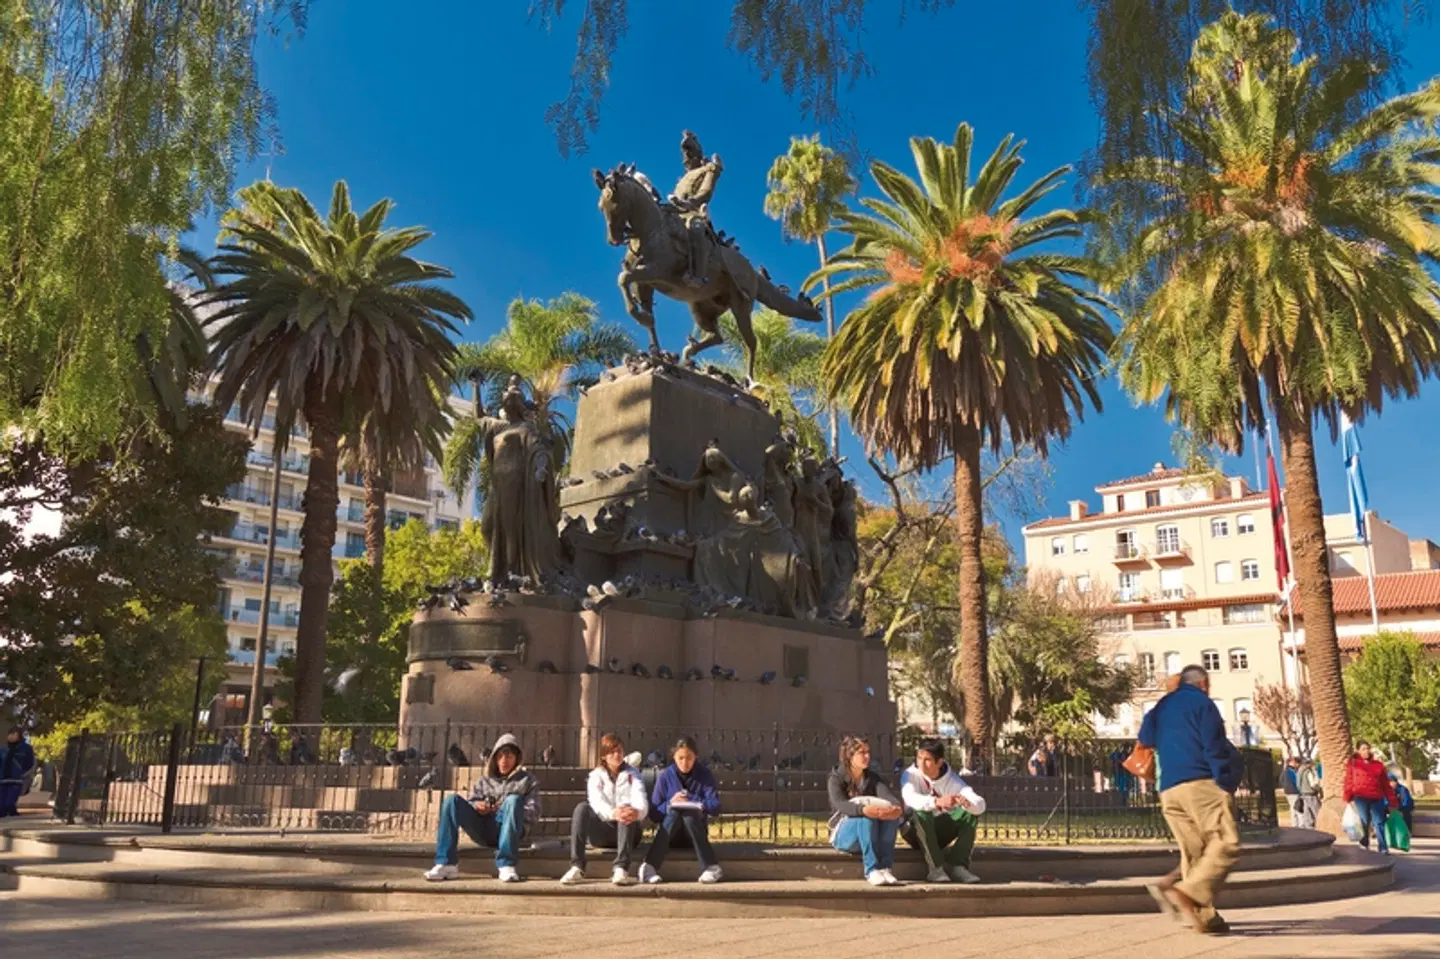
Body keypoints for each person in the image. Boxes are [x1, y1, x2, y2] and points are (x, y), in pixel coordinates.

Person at [1139, 664, 1242, 935]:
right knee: (1226, 842)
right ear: (1203, 683)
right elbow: (1214, 745)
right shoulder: (1202, 703)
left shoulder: (1160, 706)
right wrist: (1224, 781)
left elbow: (1145, 738)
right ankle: (1190, 891)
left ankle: (1205, 918)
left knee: (1194, 851)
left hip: (1169, 789)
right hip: (1200, 783)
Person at [424, 733, 539, 882]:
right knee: (451, 801)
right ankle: (446, 863)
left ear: (516, 759)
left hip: (511, 830)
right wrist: (477, 806)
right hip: (484, 828)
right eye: (500, 757)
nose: (504, 761)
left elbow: (534, 812)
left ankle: (506, 865)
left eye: (509, 757)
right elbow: (472, 800)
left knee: (513, 800)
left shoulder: (528, 780)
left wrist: (509, 809)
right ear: (495, 759)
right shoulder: (484, 781)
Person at [562, 734, 648, 886]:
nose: (617, 755)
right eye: (612, 752)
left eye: (620, 751)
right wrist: (613, 813)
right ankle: (577, 866)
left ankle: (621, 868)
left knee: (627, 809)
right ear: (603, 755)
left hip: (628, 832)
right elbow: (596, 802)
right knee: (581, 808)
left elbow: (641, 799)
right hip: (602, 831)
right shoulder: (595, 776)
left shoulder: (633, 775)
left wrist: (636, 811)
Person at [900, 739, 987, 884]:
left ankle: (958, 866)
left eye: (927, 760)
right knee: (921, 812)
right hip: (914, 831)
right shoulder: (910, 775)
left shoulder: (952, 781)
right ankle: (935, 869)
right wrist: (936, 802)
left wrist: (968, 804)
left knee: (968, 813)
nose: (921, 763)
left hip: (938, 832)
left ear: (939, 762)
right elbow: (910, 799)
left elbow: (980, 804)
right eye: (919, 758)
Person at [638, 737, 722, 884]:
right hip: (670, 836)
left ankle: (711, 867)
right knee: (674, 811)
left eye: (689, 758)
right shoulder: (665, 777)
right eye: (681, 758)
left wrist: (695, 801)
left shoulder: (705, 775)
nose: (685, 762)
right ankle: (649, 867)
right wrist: (670, 803)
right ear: (674, 757)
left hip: (695, 834)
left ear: (696, 756)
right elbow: (654, 814)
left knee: (689, 814)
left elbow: (715, 806)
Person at [826, 734, 903, 886]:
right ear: (849, 756)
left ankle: (885, 868)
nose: (867, 756)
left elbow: (890, 798)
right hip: (845, 836)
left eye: (868, 752)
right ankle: (872, 870)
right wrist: (865, 810)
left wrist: (895, 809)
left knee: (890, 817)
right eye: (862, 753)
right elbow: (842, 805)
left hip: (872, 836)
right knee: (865, 817)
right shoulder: (836, 779)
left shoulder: (872, 778)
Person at [1343, 742, 1397, 854]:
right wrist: (1348, 797)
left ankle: (1383, 847)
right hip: (1361, 797)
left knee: (1379, 822)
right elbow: (1348, 781)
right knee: (1364, 820)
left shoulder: (1378, 765)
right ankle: (1364, 842)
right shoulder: (1353, 764)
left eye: (1368, 748)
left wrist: (1392, 800)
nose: (1366, 751)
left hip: (1377, 797)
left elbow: (1385, 785)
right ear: (1358, 750)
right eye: (1363, 749)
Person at [0, 726, 37, 817]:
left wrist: (25, 774)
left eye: (14, 734)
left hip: (17, 779)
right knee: (1, 805)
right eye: (10, 734)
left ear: (19, 736)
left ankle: (12, 812)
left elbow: (30, 763)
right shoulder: (3, 749)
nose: (11, 736)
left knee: (10, 802)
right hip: (3, 779)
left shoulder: (26, 748)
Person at [1294, 756, 1320, 830]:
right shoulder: (1308, 772)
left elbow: (1298, 784)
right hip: (1310, 793)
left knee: (1307, 811)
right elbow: (1313, 784)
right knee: (1316, 810)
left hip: (1303, 793)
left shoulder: (1299, 771)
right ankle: (1320, 824)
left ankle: (1308, 826)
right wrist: (1317, 789)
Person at [1282, 756, 1302, 827]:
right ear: (1290, 763)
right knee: (1297, 808)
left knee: (1292, 807)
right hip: (1294, 791)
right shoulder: (1291, 771)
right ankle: (1299, 824)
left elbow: (1281, 780)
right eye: (1293, 762)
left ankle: (1295, 824)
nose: (1295, 763)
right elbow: (1296, 781)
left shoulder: (1284, 771)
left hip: (1287, 792)